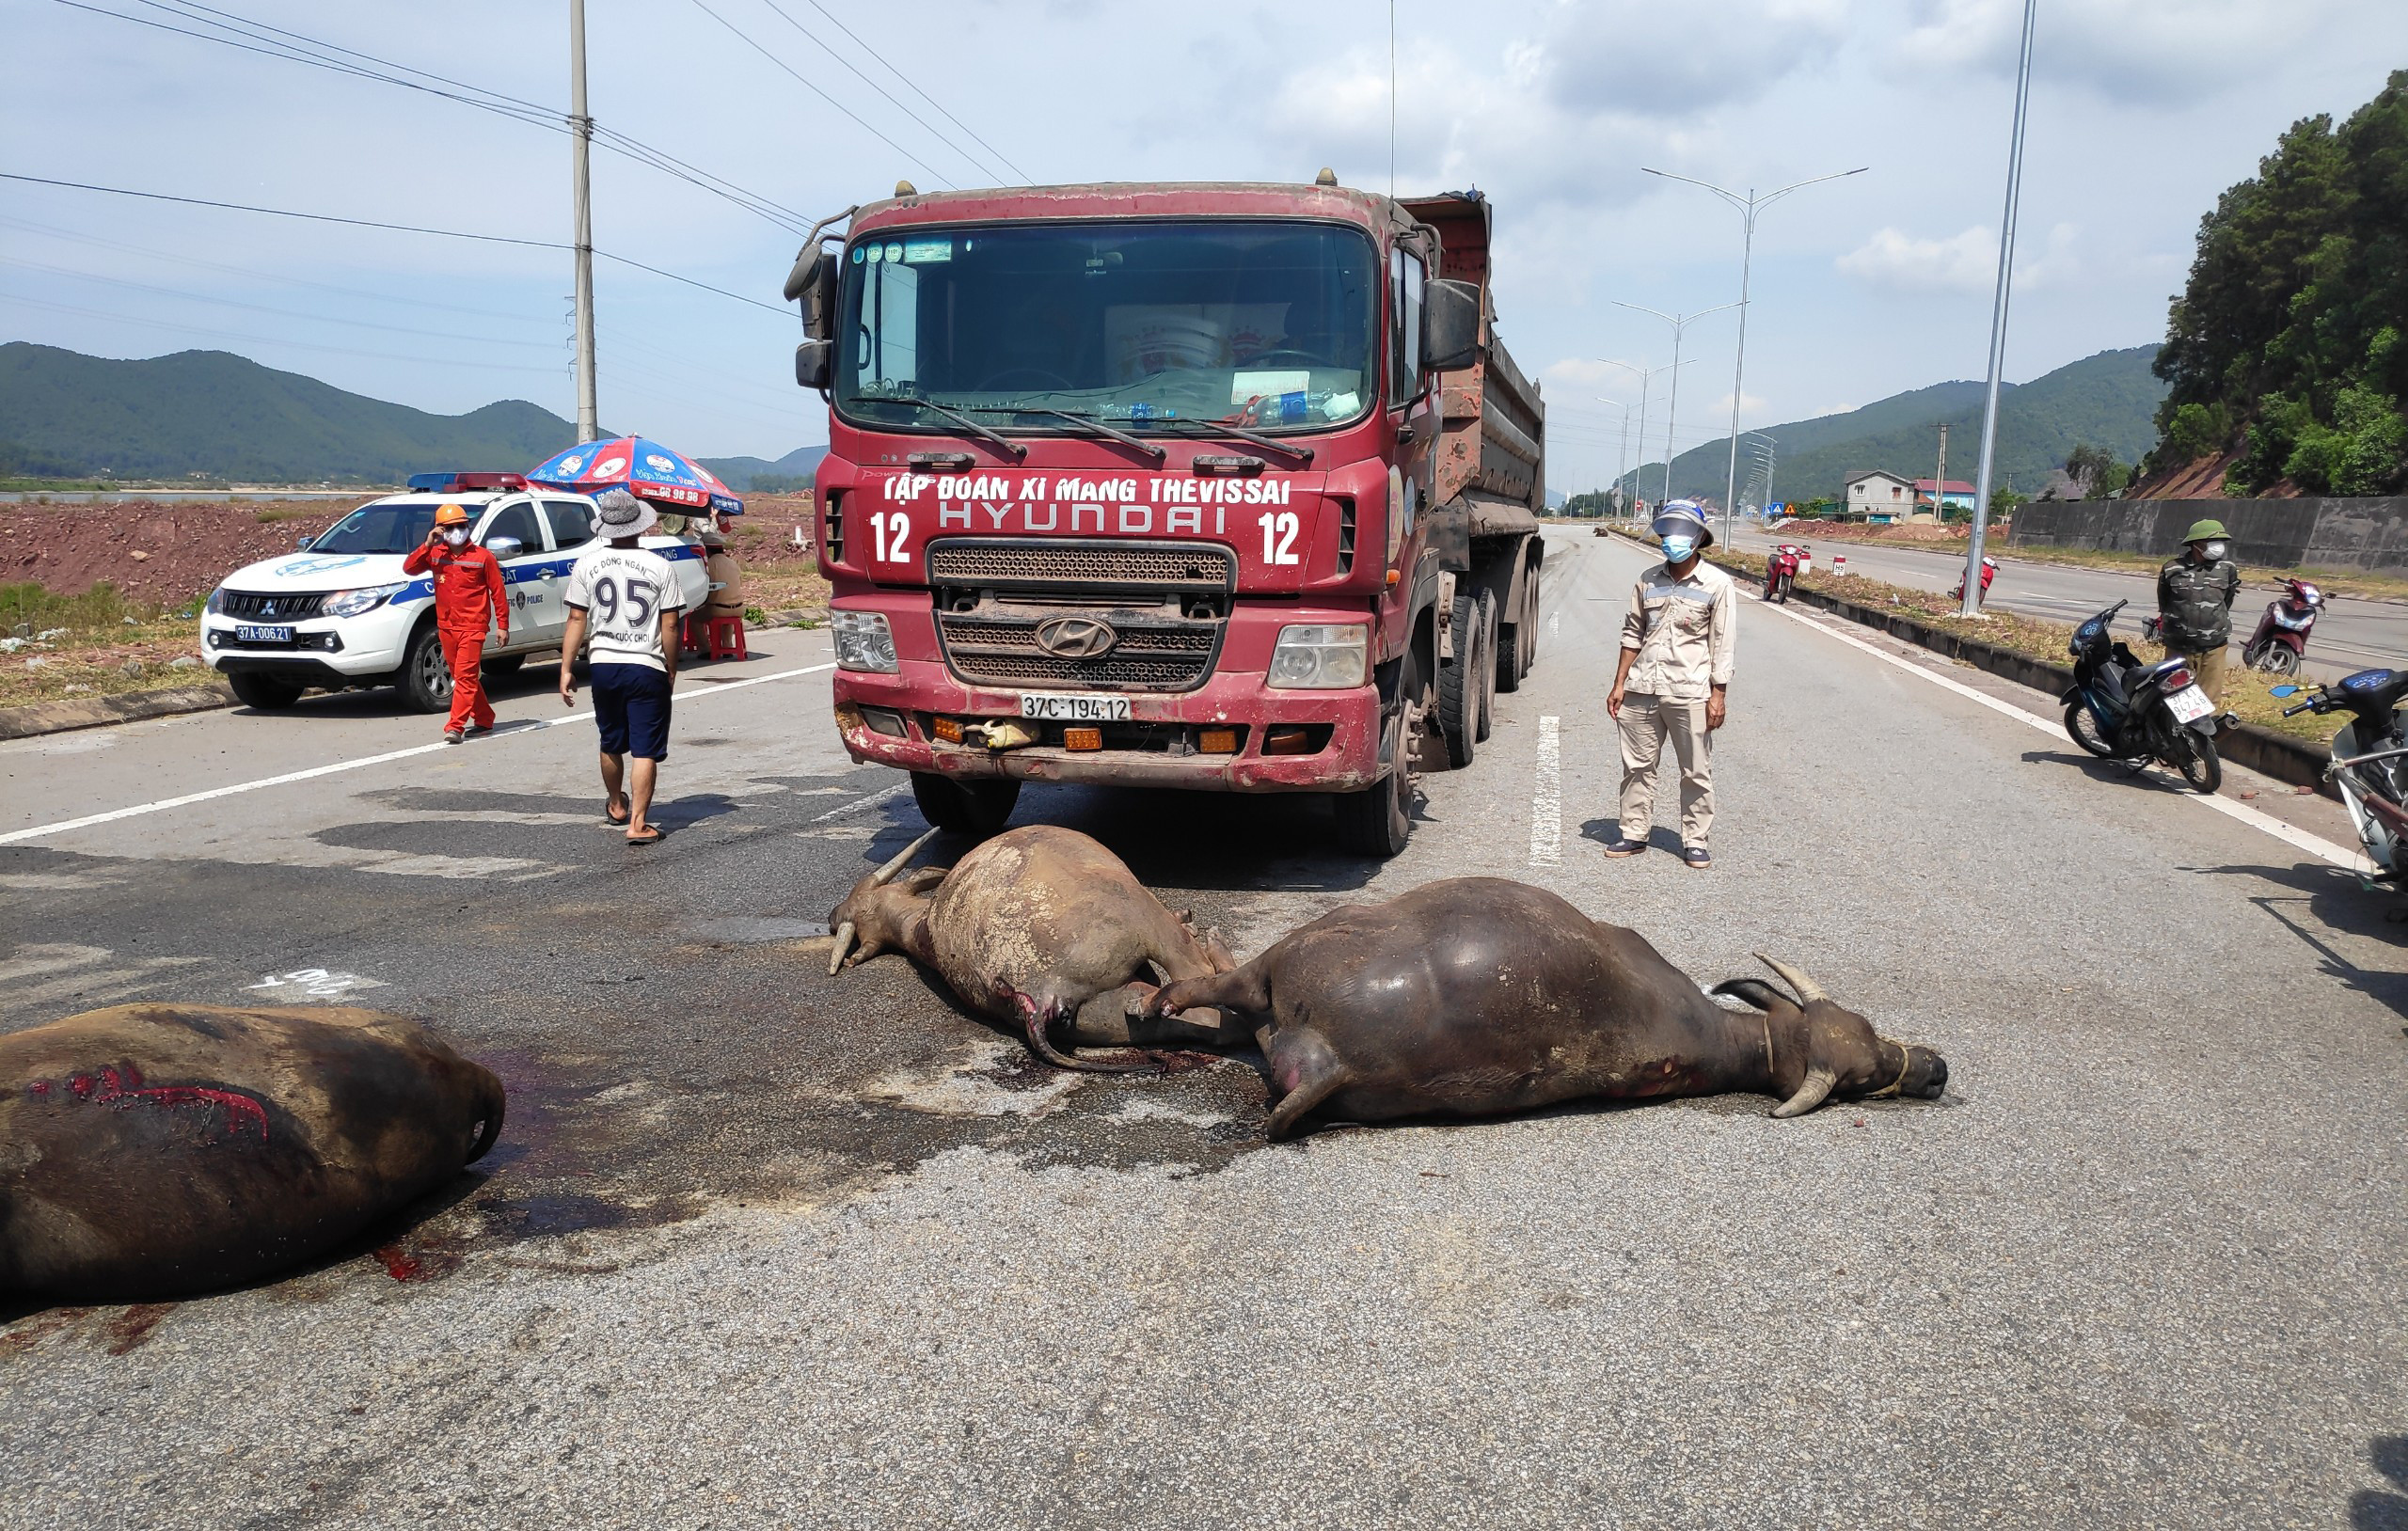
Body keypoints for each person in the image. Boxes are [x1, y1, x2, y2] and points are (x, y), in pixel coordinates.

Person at [1604, 499, 1737, 870]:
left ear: (1697, 538)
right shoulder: (1647, 580)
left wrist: (1718, 695)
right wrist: (1619, 684)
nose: (1671, 540)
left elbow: (1722, 643)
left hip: (1690, 690)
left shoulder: (1717, 584)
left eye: (1680, 532)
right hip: (1642, 688)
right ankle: (1633, 831)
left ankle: (1695, 839)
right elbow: (1632, 633)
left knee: (1695, 770)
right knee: (1637, 766)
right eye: (1666, 532)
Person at [559, 489, 687, 846]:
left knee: (611, 739)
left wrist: (567, 667)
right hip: (646, 664)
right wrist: (671, 668)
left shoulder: (587, 564)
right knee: (645, 748)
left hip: (603, 663)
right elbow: (671, 625)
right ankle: (639, 822)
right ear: (640, 526)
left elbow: (575, 618)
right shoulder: (660, 566)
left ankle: (616, 805)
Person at [400, 502, 508, 744]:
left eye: (461, 525)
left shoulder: (483, 557)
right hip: (447, 627)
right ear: (440, 530)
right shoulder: (435, 554)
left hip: (473, 626)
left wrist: (503, 625)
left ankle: (455, 726)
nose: (457, 530)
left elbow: (498, 592)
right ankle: (484, 717)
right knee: (461, 675)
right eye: (450, 527)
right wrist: (427, 544)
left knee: (466, 676)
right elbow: (409, 568)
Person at [2157, 517, 2242, 707]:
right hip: (2178, 646)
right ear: (2197, 544)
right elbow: (2165, 601)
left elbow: (2226, 601)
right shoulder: (2172, 568)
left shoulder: (2227, 569)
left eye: (2221, 542)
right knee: (2175, 699)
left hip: (2213, 647)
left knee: (2209, 704)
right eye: (2213, 542)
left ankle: (2204, 737)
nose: (2219, 546)